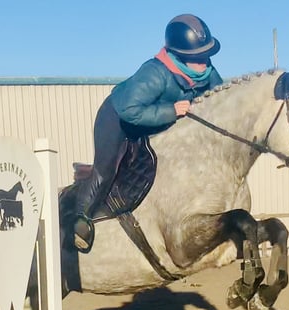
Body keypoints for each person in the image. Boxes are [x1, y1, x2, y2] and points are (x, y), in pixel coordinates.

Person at [73, 14, 224, 250]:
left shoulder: (208, 74)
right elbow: (130, 110)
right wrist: (171, 111)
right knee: (106, 171)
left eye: (206, 55)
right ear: (180, 56)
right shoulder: (155, 72)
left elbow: (222, 101)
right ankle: (80, 219)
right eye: (197, 58)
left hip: (154, 123)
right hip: (118, 118)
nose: (204, 63)